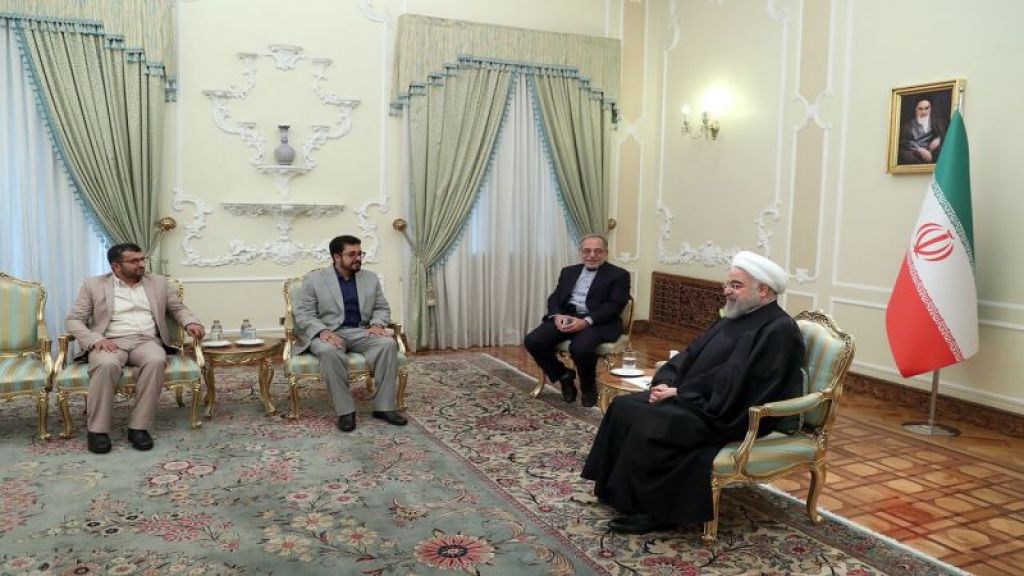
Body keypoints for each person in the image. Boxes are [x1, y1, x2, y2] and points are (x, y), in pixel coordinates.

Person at [581, 251, 805, 534]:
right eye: (727, 284)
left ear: (763, 290)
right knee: (625, 407)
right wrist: (666, 380)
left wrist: (681, 392)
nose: (727, 291)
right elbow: (691, 353)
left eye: (736, 285)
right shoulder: (734, 316)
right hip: (700, 398)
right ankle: (616, 492)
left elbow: (743, 380)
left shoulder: (779, 329)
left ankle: (654, 511)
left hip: (734, 410)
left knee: (658, 421)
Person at [66, 243, 206, 454]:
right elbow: (74, 319)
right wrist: (95, 340)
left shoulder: (158, 282)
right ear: (116, 266)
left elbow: (177, 308)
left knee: (156, 360)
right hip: (110, 341)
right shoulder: (93, 284)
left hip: (146, 341)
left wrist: (190, 322)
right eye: (134, 261)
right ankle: (97, 431)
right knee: (106, 365)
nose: (141, 264)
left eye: (142, 259)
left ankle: (139, 427)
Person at [293, 235, 407, 432]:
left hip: (361, 331)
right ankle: (346, 411)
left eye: (360, 253)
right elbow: (304, 313)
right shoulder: (315, 280)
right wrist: (323, 330)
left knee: (387, 344)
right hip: (328, 333)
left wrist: (377, 324)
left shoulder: (370, 278)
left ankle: (384, 407)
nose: (358, 258)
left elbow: (381, 307)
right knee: (328, 351)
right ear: (336, 257)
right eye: (352, 254)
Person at [524, 234, 630, 407]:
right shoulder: (568, 271)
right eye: (587, 251)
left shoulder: (619, 275)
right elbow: (555, 297)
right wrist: (556, 315)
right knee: (533, 340)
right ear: (580, 252)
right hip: (567, 316)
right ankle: (563, 375)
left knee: (580, 348)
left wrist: (586, 321)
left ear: (606, 253)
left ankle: (588, 388)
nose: (592, 255)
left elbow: (614, 306)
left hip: (598, 321)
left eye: (598, 251)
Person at [898, 97, 948, 164]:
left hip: (934, 154)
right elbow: (903, 143)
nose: (924, 112)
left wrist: (939, 139)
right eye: (920, 109)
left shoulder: (939, 123)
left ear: (931, 109)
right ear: (916, 109)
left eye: (926, 108)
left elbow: (947, 136)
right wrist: (919, 149)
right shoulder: (907, 126)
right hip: (914, 154)